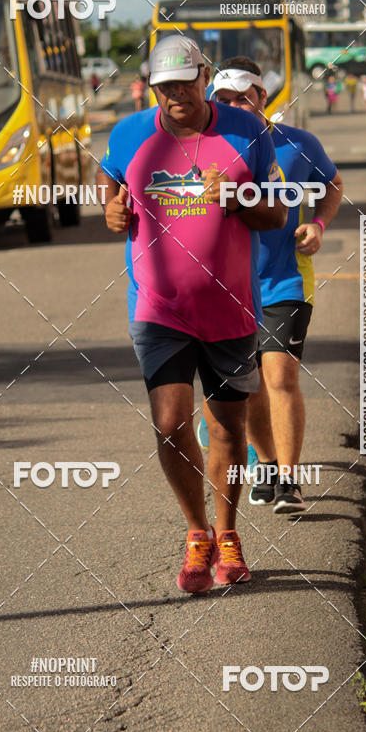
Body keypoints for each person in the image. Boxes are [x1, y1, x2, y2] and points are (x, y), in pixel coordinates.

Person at [98, 34, 286, 593]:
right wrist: (109, 208)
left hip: (230, 307)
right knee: (169, 422)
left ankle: (228, 534)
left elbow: (274, 216)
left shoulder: (246, 131)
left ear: (205, 76)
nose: (176, 93)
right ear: (152, 86)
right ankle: (197, 531)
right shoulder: (130, 133)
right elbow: (110, 184)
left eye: (185, 81)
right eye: (164, 85)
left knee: (228, 425)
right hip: (158, 307)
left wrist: (237, 197)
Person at [207, 56, 343, 512]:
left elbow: (332, 182)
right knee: (252, 387)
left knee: (279, 375)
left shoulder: (297, 144)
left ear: (262, 97)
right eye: (223, 100)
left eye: (242, 98)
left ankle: (289, 480)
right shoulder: (203, 152)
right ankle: (266, 463)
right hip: (227, 288)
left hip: (285, 279)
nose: (234, 106)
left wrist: (319, 224)